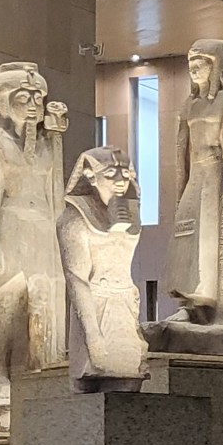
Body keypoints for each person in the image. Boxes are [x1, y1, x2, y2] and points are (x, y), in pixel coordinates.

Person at [0, 62, 67, 400]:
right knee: (4, 303)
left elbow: (55, 195)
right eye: (23, 97)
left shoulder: (44, 143)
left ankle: (41, 374)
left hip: (43, 231)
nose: (32, 104)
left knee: (43, 304)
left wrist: (56, 140)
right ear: (3, 101)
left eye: (38, 97)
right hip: (10, 228)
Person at [164, 39, 223, 324]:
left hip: (218, 176)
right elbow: (182, 151)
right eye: (190, 64)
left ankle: (207, 304)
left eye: (201, 63)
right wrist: (180, 188)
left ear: (216, 65)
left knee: (209, 241)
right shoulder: (190, 105)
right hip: (196, 177)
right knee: (188, 239)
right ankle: (190, 303)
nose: (194, 69)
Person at [58, 147, 148, 392]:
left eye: (125, 173)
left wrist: (119, 223)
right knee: (94, 381)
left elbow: (123, 262)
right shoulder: (73, 220)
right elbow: (77, 280)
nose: (120, 181)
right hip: (95, 306)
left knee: (130, 383)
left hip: (125, 305)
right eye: (110, 173)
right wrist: (93, 335)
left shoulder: (131, 216)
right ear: (90, 175)